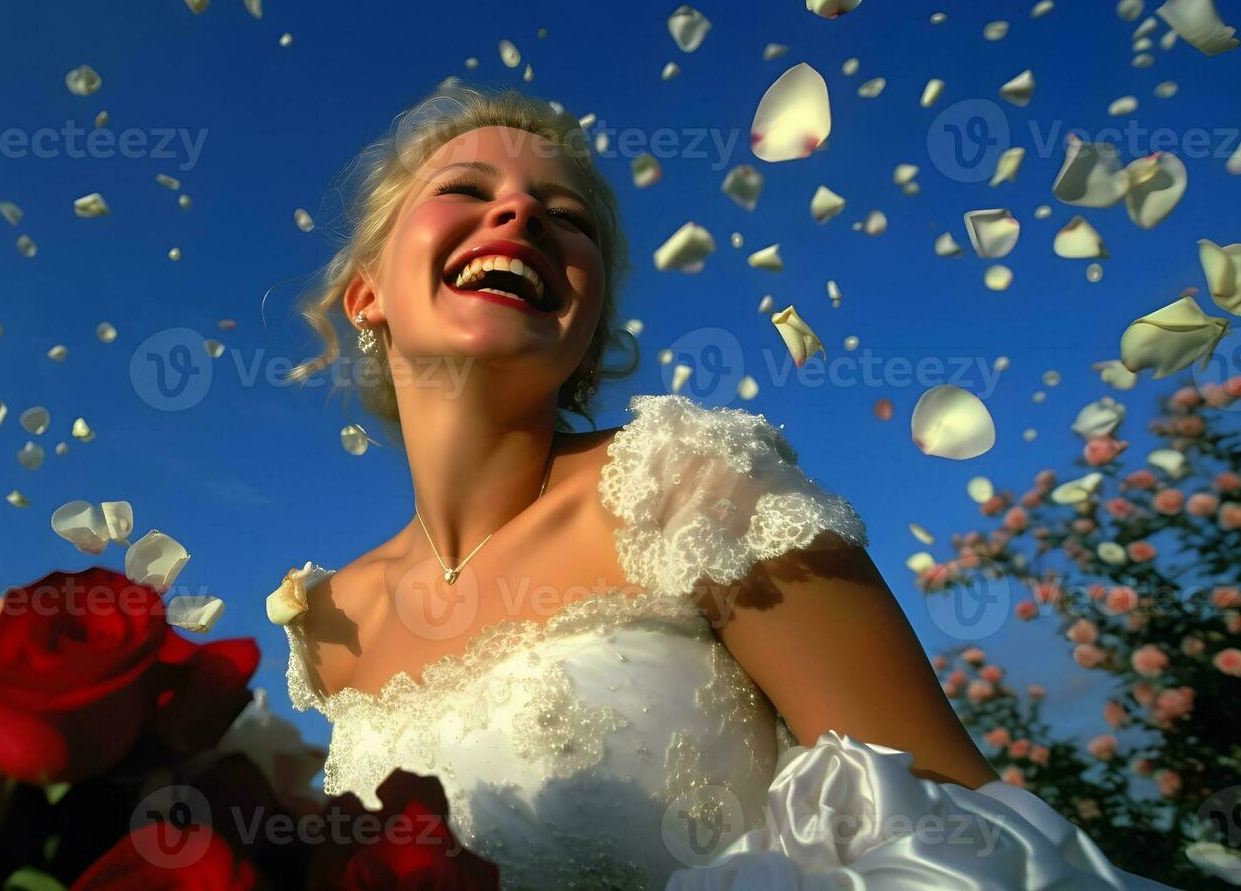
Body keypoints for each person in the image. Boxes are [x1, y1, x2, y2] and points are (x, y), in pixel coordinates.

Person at [267, 80, 1174, 890]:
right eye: (466, 190)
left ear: (590, 313)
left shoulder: (688, 481)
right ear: (365, 296)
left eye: (566, 216)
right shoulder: (327, 622)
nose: (521, 217)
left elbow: (952, 822)